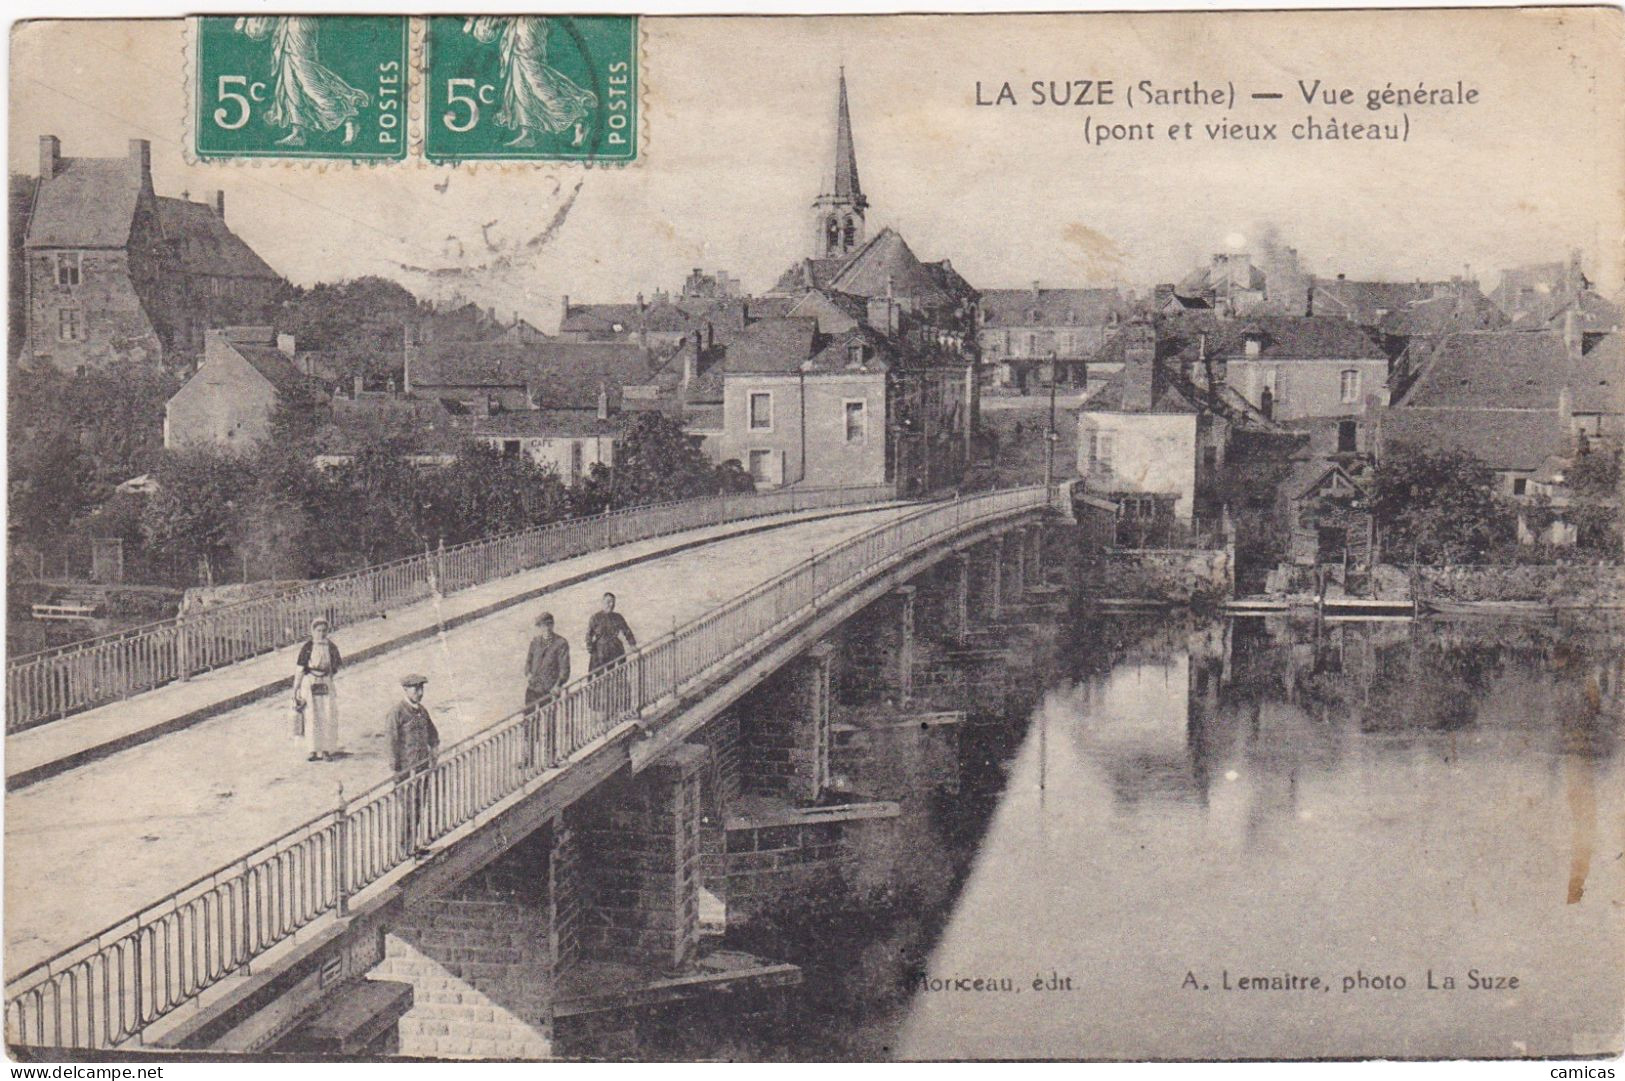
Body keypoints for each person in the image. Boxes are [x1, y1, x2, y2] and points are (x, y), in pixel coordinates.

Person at [388, 673, 440, 859]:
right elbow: (392, 743)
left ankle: (412, 845)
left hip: (422, 768)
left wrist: (434, 754)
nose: (419, 692)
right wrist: (395, 771)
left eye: (421, 689)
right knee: (409, 809)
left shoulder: (422, 711)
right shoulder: (397, 713)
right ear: (406, 690)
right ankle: (406, 849)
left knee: (418, 807)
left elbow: (433, 735)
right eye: (415, 689)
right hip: (406, 771)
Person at [293, 618, 342, 761]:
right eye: (318, 631)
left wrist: (328, 679)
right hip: (310, 682)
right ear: (313, 631)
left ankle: (326, 750)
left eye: (323, 631)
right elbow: (300, 668)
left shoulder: (331, 647)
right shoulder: (308, 647)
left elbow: (335, 667)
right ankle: (312, 750)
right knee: (311, 716)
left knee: (326, 715)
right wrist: (296, 688)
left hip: (325, 682)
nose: (321, 634)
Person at [586, 592, 637, 716]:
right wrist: (590, 647)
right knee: (600, 680)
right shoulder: (595, 618)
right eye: (608, 602)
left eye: (613, 602)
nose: (611, 604)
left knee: (618, 678)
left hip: (616, 650)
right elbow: (588, 635)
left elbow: (627, 631)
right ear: (602, 602)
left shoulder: (618, 617)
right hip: (600, 653)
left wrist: (632, 644)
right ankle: (601, 708)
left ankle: (621, 706)